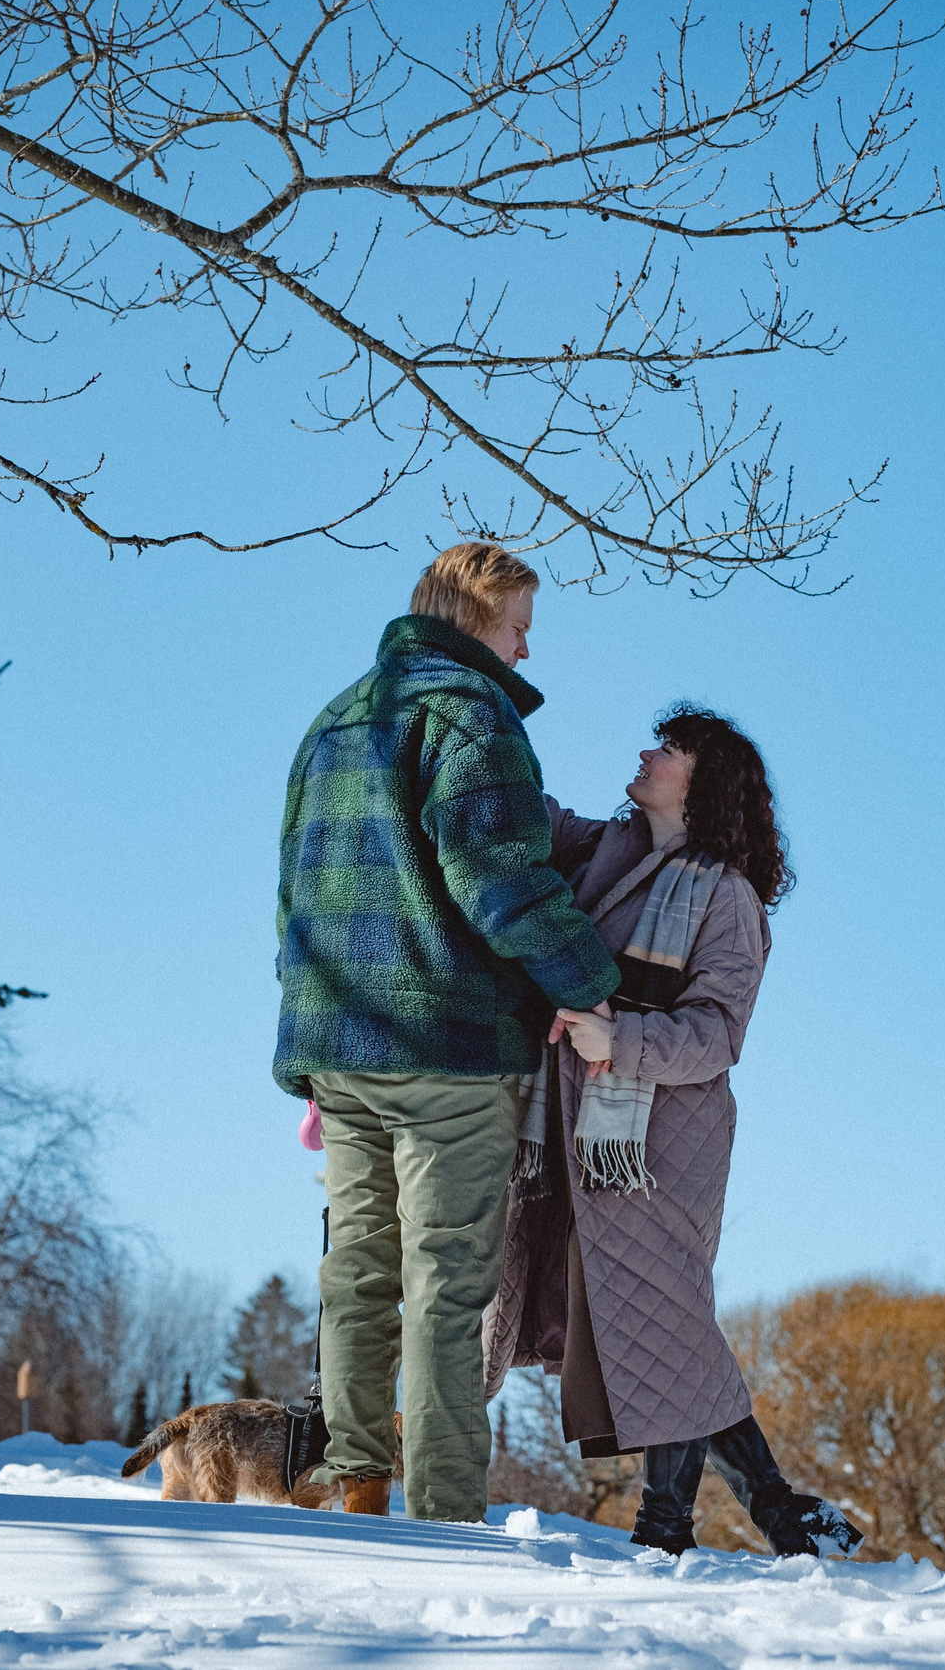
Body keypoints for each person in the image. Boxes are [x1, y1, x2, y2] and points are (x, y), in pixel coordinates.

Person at [274, 541, 622, 1524]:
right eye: (518, 630)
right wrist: (589, 983)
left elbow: (293, 891)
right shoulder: (472, 718)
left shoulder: (335, 718)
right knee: (445, 1287)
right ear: (477, 620)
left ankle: (355, 1484)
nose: (524, 653)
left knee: (357, 1276)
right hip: (447, 1045)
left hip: (339, 1040)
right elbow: (498, 880)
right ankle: (442, 1509)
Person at [481, 703, 863, 1559]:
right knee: (659, 1328)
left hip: (659, 1143)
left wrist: (621, 1040)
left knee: (670, 1323)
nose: (647, 751)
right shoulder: (604, 849)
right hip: (581, 1135)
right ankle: (778, 1511)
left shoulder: (727, 899)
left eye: (671, 748)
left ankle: (666, 1531)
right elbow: (527, 812)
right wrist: (483, 721)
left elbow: (718, 1034)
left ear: (704, 784)